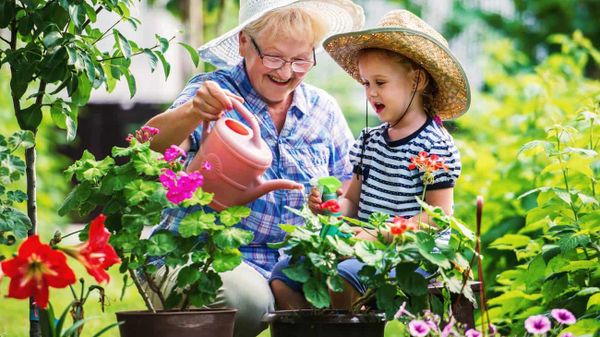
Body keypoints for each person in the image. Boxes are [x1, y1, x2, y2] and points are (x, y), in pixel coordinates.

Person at [144, 1, 364, 337]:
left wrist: (330, 203)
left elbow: (349, 188)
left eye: (301, 59)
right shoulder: (213, 94)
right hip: (207, 254)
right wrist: (192, 112)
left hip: (291, 265)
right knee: (242, 302)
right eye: (274, 57)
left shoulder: (323, 110)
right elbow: (149, 150)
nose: (286, 71)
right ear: (245, 43)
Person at [270, 9, 471, 310]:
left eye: (380, 82)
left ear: (417, 79)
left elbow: (436, 220)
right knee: (284, 273)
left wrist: (382, 233)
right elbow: (352, 201)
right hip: (363, 247)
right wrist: (331, 208)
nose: (371, 93)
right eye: (365, 83)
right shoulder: (369, 141)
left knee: (342, 276)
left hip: (410, 255)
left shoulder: (434, 146)